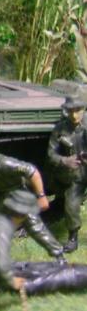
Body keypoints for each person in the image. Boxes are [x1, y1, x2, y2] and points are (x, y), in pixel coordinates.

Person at [46, 95, 87, 253]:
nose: (74, 115)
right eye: (71, 111)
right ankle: (73, 237)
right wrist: (65, 160)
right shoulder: (61, 129)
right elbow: (51, 154)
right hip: (75, 173)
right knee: (71, 204)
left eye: (78, 110)